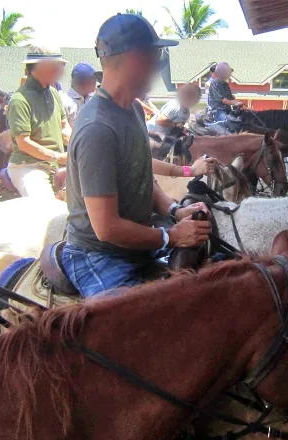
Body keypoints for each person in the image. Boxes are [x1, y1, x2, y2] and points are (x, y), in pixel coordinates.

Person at [62, 13, 213, 298]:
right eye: (155, 56)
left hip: (136, 246)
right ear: (134, 59)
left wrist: (174, 211)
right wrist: (171, 235)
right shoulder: (97, 127)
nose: (158, 66)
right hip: (98, 255)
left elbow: (141, 176)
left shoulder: (131, 109)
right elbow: (107, 228)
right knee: (138, 336)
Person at [6, 44, 72, 198]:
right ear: (39, 66)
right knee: (44, 208)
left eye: (61, 64)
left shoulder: (54, 94)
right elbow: (23, 143)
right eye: (57, 64)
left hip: (57, 163)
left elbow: (64, 128)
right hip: (29, 166)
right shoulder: (19, 99)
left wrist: (78, 145)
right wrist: (57, 157)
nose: (61, 69)